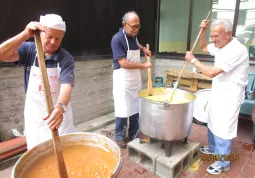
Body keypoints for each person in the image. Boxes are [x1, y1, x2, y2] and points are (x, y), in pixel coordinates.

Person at [0, 14, 75, 150]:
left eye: (57, 39)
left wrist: (60, 107)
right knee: (38, 155)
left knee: (64, 152)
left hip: (59, 116)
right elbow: (2, 54)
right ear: (40, 33)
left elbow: (66, 86)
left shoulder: (66, 58)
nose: (53, 42)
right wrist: (24, 34)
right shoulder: (29, 50)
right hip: (36, 117)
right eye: (49, 36)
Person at [185, 19, 249, 175]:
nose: (213, 40)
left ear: (228, 34)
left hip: (230, 94)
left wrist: (193, 60)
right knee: (212, 119)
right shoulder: (220, 45)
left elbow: (211, 72)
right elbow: (203, 47)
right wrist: (204, 31)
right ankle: (213, 149)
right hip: (218, 90)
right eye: (212, 36)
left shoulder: (237, 50)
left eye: (216, 36)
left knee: (223, 127)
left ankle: (223, 162)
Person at [111, 11, 152, 149]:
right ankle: (120, 136)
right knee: (123, 109)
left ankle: (134, 134)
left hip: (135, 79)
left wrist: (143, 49)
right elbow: (123, 63)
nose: (135, 30)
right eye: (133, 27)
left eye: (138, 27)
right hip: (123, 79)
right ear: (124, 24)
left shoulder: (133, 36)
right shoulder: (117, 39)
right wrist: (144, 65)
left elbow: (136, 43)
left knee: (136, 108)